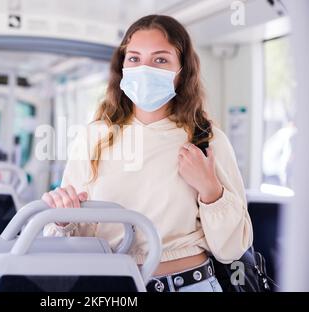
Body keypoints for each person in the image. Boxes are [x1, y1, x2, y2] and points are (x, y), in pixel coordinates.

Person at [42, 15, 253, 292]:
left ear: (182, 71)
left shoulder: (207, 139)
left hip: (189, 285)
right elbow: (71, 237)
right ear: (122, 67)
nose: (144, 69)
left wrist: (211, 191)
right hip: (110, 288)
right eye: (134, 59)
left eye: (160, 60)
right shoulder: (94, 137)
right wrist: (62, 219)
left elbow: (233, 249)